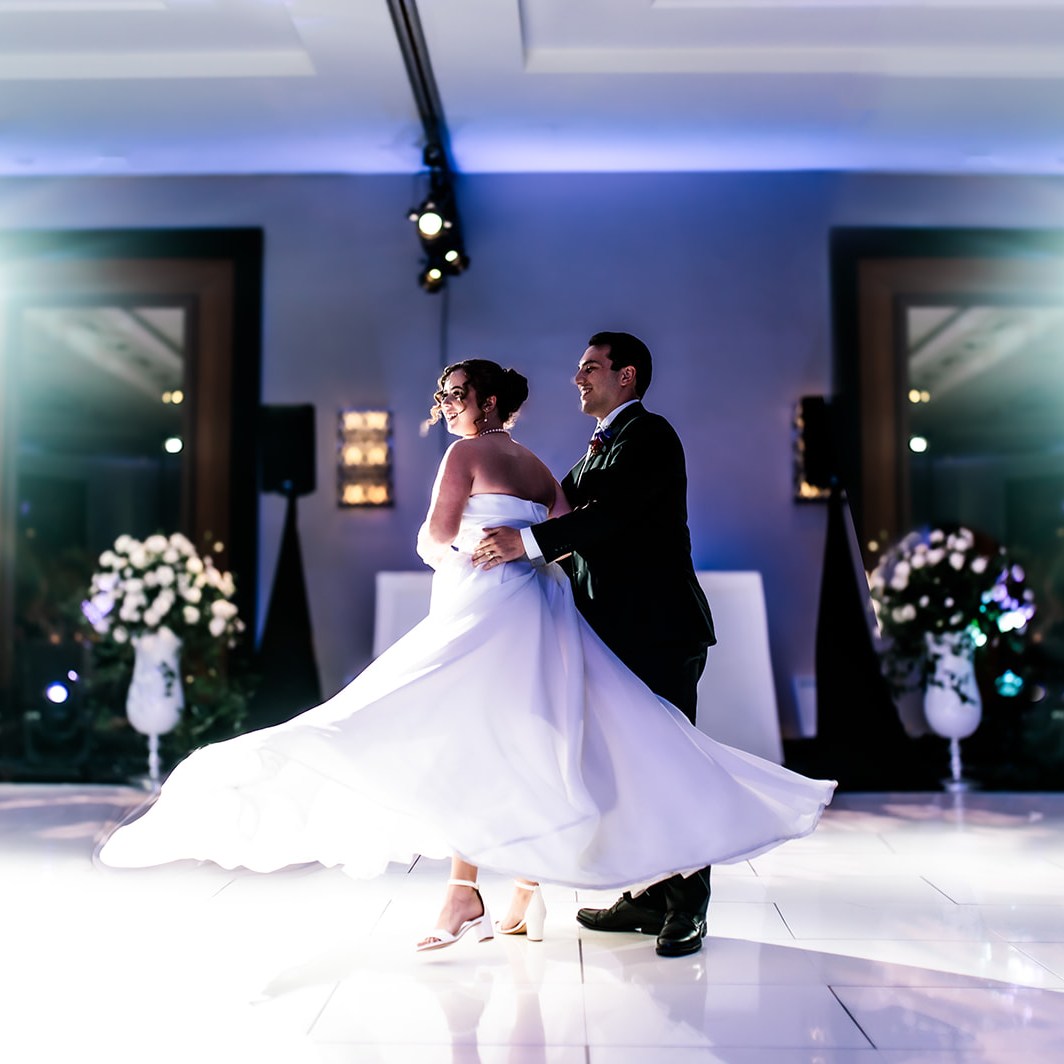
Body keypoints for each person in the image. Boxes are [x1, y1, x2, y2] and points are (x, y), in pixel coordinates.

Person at [99, 357, 835, 956]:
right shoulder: (547, 466)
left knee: (444, 729)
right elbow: (564, 529)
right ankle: (523, 892)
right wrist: (525, 551)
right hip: (545, 616)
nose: (444, 404)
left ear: (483, 401)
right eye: (441, 395)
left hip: (498, 611)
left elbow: (438, 538)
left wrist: (464, 553)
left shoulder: (485, 451)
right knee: (559, 742)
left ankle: (511, 893)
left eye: (452, 393)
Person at [472, 332, 716, 956]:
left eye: (590, 368)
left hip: (658, 631)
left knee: (668, 765)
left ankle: (688, 905)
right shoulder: (601, 446)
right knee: (627, 769)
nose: (577, 378)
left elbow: (608, 516)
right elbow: (561, 502)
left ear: (627, 375)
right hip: (614, 631)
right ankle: (651, 892)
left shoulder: (650, 437)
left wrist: (522, 545)